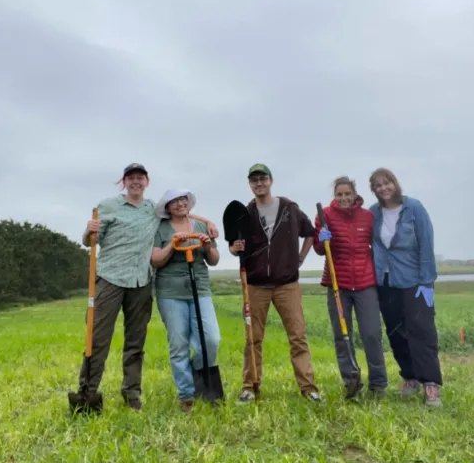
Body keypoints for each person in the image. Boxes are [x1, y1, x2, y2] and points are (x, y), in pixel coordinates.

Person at [76, 163, 219, 412]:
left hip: (142, 282)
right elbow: (91, 241)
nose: (136, 182)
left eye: (140, 178)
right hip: (110, 278)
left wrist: (207, 220)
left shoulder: (152, 210)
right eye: (131, 178)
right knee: (97, 339)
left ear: (147, 182)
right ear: (124, 182)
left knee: (135, 342)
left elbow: (181, 214)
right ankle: (87, 392)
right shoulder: (108, 206)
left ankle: (131, 394)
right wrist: (88, 232)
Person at [228, 163, 321, 404]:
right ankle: (250, 387)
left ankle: (308, 388)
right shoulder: (245, 212)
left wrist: (300, 258)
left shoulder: (289, 208)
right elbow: (235, 244)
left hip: (287, 284)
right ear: (250, 184)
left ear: (271, 180)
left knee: (298, 336)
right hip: (256, 285)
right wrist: (233, 247)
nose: (258, 183)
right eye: (254, 180)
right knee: (252, 338)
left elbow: (310, 232)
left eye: (262, 179)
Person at [367, 167, 442, 407]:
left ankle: (431, 383)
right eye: (378, 185)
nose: (383, 188)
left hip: (414, 281)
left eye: (386, 183)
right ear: (374, 190)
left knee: (421, 331)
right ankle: (410, 377)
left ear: (395, 184)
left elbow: (426, 244)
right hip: (385, 282)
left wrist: (427, 281)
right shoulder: (373, 214)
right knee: (395, 331)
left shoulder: (414, 209)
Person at [312, 176, 388, 398]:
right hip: (338, 285)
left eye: (348, 194)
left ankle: (379, 383)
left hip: (365, 283)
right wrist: (322, 238)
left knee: (372, 334)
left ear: (355, 194)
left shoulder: (368, 216)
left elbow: (378, 246)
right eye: (339, 194)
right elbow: (318, 248)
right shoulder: (324, 215)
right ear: (335, 196)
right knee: (342, 336)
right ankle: (351, 381)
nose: (344, 198)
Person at [150, 188, 221, 413]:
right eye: (174, 202)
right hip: (170, 292)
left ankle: (199, 377)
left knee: (211, 339)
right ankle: (186, 394)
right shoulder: (160, 228)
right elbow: (156, 261)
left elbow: (215, 260)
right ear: (167, 207)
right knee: (178, 344)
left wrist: (208, 246)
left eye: (183, 200)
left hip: (199, 288)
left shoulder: (200, 226)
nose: (180, 204)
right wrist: (172, 244)